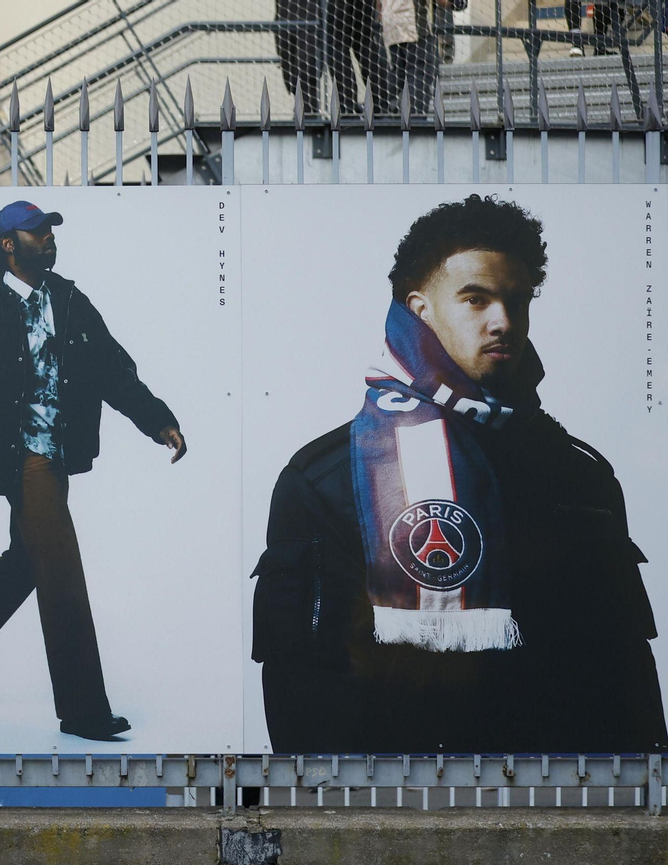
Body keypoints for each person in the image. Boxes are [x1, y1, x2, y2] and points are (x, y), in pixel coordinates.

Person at [253, 194, 666, 754]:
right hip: (402, 816)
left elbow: (626, 678)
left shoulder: (577, 477)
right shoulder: (327, 480)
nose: (503, 321)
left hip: (567, 812)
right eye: (476, 299)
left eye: (516, 302)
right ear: (420, 310)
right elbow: (304, 696)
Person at [0, 201, 186, 742]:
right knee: (60, 566)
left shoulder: (69, 301)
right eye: (37, 233)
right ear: (8, 244)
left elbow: (111, 366)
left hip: (56, 457)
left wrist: (156, 420)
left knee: (28, 562)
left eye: (51, 232)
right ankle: (84, 709)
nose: (49, 240)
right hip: (19, 458)